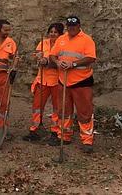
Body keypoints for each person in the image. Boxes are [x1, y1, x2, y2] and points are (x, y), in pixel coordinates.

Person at [48, 15, 97, 153]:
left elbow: (91, 58)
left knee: (84, 112)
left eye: (74, 27)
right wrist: (57, 62)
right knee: (64, 111)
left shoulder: (87, 40)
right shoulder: (61, 39)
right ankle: (64, 135)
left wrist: (73, 64)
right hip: (63, 81)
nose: (72, 30)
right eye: (69, 27)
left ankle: (87, 140)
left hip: (82, 81)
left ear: (79, 26)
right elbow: (53, 55)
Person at [22, 23, 65, 142]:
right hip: (42, 79)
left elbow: (60, 63)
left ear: (60, 34)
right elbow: (35, 57)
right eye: (51, 31)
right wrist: (38, 57)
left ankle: (55, 131)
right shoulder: (43, 43)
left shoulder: (63, 45)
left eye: (55, 32)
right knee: (37, 106)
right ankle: (35, 129)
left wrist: (46, 62)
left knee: (57, 108)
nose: (52, 34)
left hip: (57, 80)